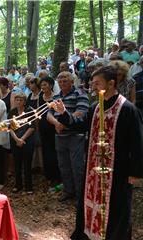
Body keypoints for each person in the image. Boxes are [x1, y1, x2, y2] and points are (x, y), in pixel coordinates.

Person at [52, 66, 143, 240]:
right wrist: (63, 113)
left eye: (97, 83)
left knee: (117, 207)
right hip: (93, 168)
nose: (93, 86)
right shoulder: (95, 107)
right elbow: (79, 124)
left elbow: (137, 143)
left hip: (118, 170)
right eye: (92, 83)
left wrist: (135, 172)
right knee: (91, 203)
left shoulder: (128, 109)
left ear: (111, 83)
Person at [47, 71, 89, 202]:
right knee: (63, 166)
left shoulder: (80, 93)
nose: (62, 82)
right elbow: (49, 114)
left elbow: (81, 112)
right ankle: (68, 191)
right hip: (60, 137)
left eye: (65, 80)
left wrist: (64, 124)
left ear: (72, 81)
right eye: (60, 80)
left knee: (77, 167)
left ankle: (80, 196)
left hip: (75, 136)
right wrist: (56, 123)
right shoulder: (56, 97)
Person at [8, 93, 35, 194]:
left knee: (27, 164)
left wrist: (22, 139)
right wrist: (16, 139)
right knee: (17, 164)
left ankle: (29, 187)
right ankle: (18, 185)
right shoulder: (12, 112)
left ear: (24, 101)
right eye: (17, 100)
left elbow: (32, 128)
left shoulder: (29, 111)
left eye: (21, 100)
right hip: (15, 141)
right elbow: (10, 128)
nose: (18, 102)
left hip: (27, 141)